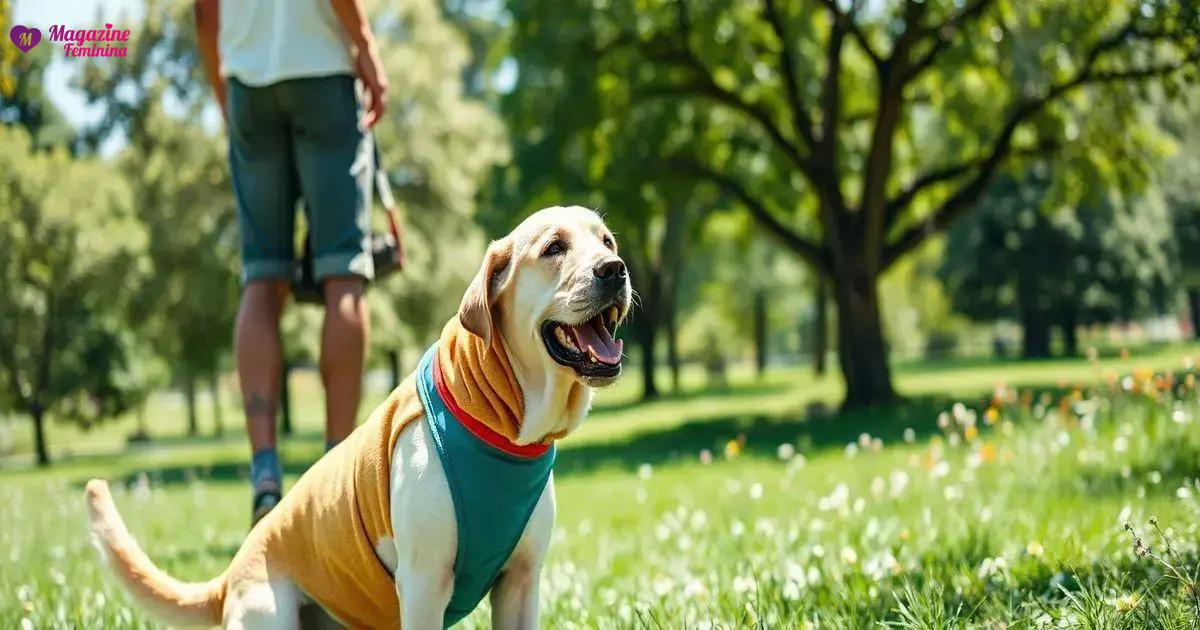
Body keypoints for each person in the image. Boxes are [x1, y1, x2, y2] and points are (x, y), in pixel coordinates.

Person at [194, 0, 390, 523]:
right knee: (343, 274)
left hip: (247, 83)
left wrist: (224, 88)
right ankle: (337, 473)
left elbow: (203, 11)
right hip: (322, 69)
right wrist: (367, 50)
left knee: (261, 280)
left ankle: (265, 473)